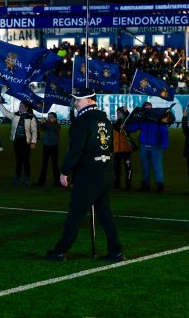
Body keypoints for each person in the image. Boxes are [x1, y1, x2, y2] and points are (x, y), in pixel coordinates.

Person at [45, 87, 123, 263]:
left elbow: (75, 150)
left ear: (89, 100)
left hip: (89, 173)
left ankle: (60, 251)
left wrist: (65, 171)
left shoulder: (82, 122)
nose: (76, 103)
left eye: (78, 100)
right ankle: (116, 250)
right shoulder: (105, 120)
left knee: (76, 213)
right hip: (105, 170)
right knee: (104, 213)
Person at [126, 101, 172, 193]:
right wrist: (126, 127)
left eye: (150, 107)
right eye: (147, 107)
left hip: (155, 147)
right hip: (144, 147)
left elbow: (164, 131)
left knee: (157, 167)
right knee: (145, 167)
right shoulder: (142, 119)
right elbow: (134, 127)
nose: (149, 108)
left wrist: (164, 144)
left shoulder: (157, 118)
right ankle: (146, 184)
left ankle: (160, 185)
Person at [0, 99, 38, 185]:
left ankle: (26, 179)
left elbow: (34, 130)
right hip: (17, 141)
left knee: (26, 160)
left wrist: (33, 142)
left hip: (26, 142)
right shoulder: (15, 115)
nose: (20, 107)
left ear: (26, 108)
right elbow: (5, 113)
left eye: (22, 106)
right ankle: (17, 178)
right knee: (18, 160)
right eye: (20, 105)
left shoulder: (31, 117)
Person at [110, 107, 136, 190]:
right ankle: (117, 184)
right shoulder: (114, 125)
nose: (118, 114)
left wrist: (127, 112)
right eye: (117, 113)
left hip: (126, 149)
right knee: (116, 168)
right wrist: (111, 149)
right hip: (117, 150)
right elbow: (112, 139)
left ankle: (128, 184)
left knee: (128, 168)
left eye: (120, 113)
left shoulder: (127, 124)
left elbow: (131, 119)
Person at [36, 112, 61, 186]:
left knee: (55, 165)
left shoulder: (57, 125)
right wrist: (41, 123)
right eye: (48, 117)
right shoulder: (47, 123)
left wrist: (45, 123)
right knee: (44, 164)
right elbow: (42, 129)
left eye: (51, 117)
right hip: (46, 145)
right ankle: (41, 181)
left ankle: (57, 182)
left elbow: (52, 128)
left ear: (55, 118)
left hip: (53, 146)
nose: (49, 118)